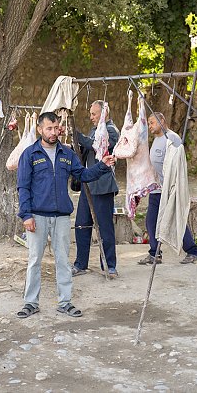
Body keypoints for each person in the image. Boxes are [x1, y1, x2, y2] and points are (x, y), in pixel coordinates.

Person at [16, 111, 116, 319]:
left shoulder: (67, 154)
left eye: (56, 128)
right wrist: (26, 215)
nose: (53, 133)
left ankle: (65, 301)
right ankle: (31, 303)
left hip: (61, 216)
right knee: (35, 260)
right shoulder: (30, 155)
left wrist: (102, 166)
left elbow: (83, 175)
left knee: (63, 260)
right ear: (40, 129)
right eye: (49, 129)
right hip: (37, 215)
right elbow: (23, 187)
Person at [137, 112, 197, 265]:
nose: (150, 126)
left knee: (176, 219)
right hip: (157, 189)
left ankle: (193, 251)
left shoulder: (172, 139)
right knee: (151, 222)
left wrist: (174, 188)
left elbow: (178, 166)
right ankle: (155, 253)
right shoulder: (157, 139)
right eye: (149, 123)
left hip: (170, 189)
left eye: (152, 122)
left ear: (162, 120)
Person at [72, 100, 120, 279]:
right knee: (82, 224)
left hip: (103, 185)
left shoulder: (111, 131)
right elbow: (87, 148)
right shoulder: (95, 129)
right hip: (88, 183)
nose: (91, 117)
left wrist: (75, 132)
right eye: (91, 114)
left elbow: (95, 144)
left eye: (94, 114)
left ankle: (110, 265)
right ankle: (81, 263)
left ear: (104, 113)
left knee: (104, 227)